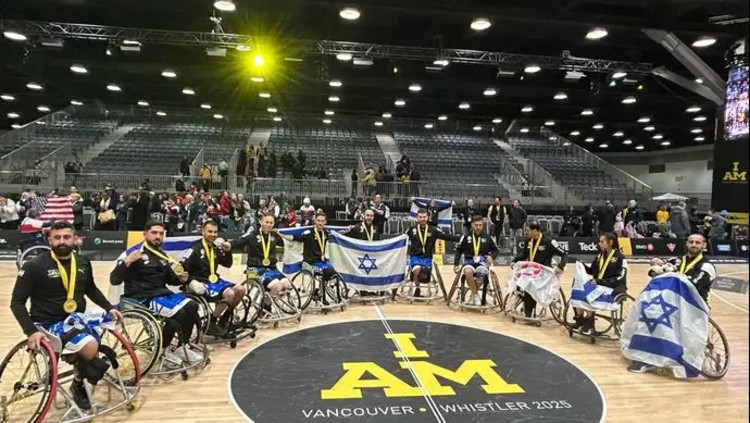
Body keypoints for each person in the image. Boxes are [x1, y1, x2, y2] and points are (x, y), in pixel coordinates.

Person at [12, 221, 123, 410]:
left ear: (75, 239)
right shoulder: (34, 266)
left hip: (77, 320)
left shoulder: (83, 262)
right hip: (47, 324)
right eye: (57, 237)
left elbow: (91, 289)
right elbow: (16, 302)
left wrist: (108, 307)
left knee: (103, 331)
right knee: (91, 347)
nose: (62, 241)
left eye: (66, 237)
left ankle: (82, 371)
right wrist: (31, 331)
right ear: (49, 240)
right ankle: (81, 383)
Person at [110, 220, 202, 364]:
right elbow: (114, 280)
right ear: (145, 234)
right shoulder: (134, 253)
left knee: (192, 306)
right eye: (154, 233)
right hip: (141, 297)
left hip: (160, 294)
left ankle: (181, 347)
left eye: (160, 233)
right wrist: (126, 262)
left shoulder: (161, 255)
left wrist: (181, 279)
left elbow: (170, 279)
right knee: (178, 314)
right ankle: (162, 350)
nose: (158, 236)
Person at [633, 234, 717, 373]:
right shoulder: (677, 260)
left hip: (695, 306)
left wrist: (671, 273)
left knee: (661, 320)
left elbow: (693, 284)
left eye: (698, 242)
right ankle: (649, 355)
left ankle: (660, 356)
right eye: (691, 242)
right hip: (672, 302)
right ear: (687, 244)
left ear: (704, 246)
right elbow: (653, 273)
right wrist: (657, 266)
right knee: (648, 313)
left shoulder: (707, 266)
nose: (694, 245)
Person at [181, 220, 245, 337]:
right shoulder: (194, 249)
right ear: (203, 232)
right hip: (200, 282)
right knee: (229, 293)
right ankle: (211, 322)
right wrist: (190, 282)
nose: (213, 234)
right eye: (210, 231)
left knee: (241, 289)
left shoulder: (215, 248)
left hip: (214, 281)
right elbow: (181, 269)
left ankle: (224, 320)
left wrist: (228, 252)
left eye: (215, 232)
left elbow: (227, 264)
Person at [227, 213, 292, 302]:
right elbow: (238, 242)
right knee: (278, 287)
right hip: (255, 269)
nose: (269, 225)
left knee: (288, 285)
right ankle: (266, 306)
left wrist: (287, 236)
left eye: (271, 223)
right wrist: (228, 244)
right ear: (261, 222)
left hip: (271, 268)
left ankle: (268, 301)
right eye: (266, 222)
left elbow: (289, 242)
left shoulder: (275, 235)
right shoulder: (252, 235)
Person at [571, 233, 627, 334]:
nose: (599, 244)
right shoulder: (599, 256)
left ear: (610, 242)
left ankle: (589, 325)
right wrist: (582, 266)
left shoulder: (620, 257)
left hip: (613, 288)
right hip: (599, 286)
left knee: (589, 296)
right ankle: (580, 322)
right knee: (578, 292)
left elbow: (620, 277)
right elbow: (592, 271)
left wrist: (600, 281)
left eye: (602, 242)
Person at [511, 222, 567, 318]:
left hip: (545, 272)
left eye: (528, 230)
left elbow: (564, 254)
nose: (526, 232)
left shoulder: (549, 241)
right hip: (531, 271)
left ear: (535, 231)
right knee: (520, 280)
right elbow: (524, 255)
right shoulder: (528, 240)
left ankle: (529, 312)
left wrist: (561, 266)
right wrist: (514, 261)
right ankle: (527, 310)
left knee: (531, 284)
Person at [407, 209, 460, 297]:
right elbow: (402, 239)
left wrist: (461, 238)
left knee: (425, 273)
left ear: (427, 217)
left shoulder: (433, 230)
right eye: (420, 217)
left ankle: (421, 282)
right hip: (415, 257)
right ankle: (417, 288)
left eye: (424, 217)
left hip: (427, 258)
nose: (422, 219)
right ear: (417, 218)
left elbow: (447, 237)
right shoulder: (411, 230)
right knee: (417, 269)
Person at [454, 216, 499, 306]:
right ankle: (475, 295)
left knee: (481, 274)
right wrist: (456, 264)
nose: (478, 227)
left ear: (483, 225)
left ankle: (472, 295)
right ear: (472, 225)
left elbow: (496, 250)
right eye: (476, 225)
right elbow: (458, 250)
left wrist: (491, 256)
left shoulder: (488, 237)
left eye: (480, 225)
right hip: (469, 261)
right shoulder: (466, 237)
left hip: (482, 261)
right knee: (468, 272)